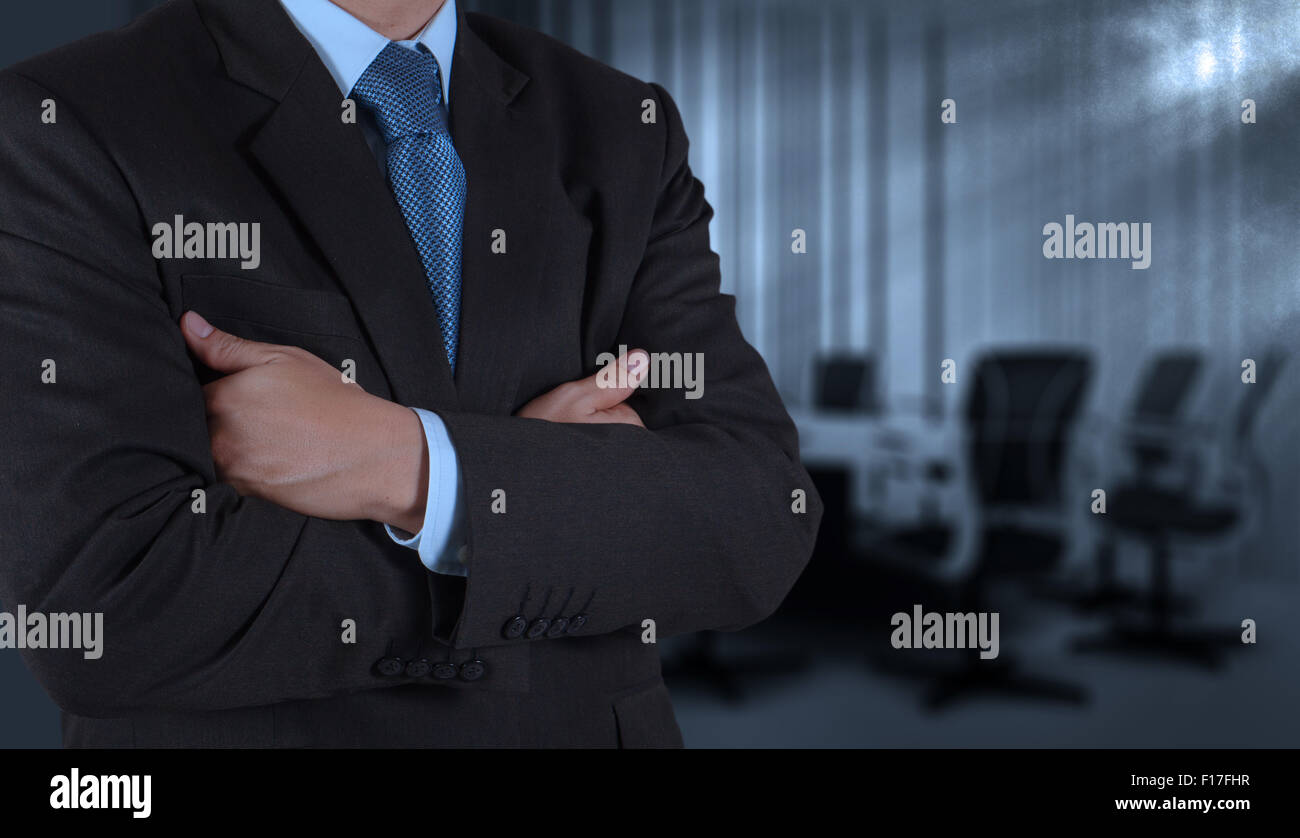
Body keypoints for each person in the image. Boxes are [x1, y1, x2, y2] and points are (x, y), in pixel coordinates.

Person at [0, 0, 821, 747]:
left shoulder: (623, 124)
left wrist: (411, 465)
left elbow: (759, 519)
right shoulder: (71, 120)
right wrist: (547, 511)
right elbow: (104, 609)